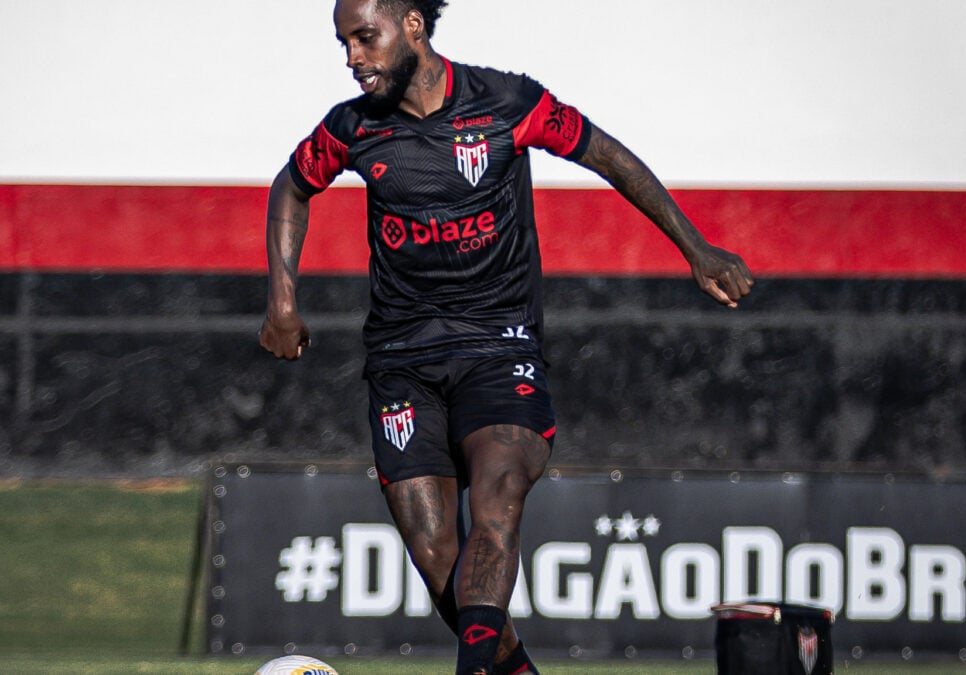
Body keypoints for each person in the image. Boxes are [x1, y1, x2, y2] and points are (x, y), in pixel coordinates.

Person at [260, 1, 754, 672]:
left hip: (501, 345)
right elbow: (291, 186)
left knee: (499, 496)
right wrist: (283, 301)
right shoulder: (351, 129)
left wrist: (696, 249)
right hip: (402, 361)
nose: (353, 57)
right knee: (439, 560)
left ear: (412, 25)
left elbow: (610, 158)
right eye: (344, 42)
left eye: (364, 37)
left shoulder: (508, 101)